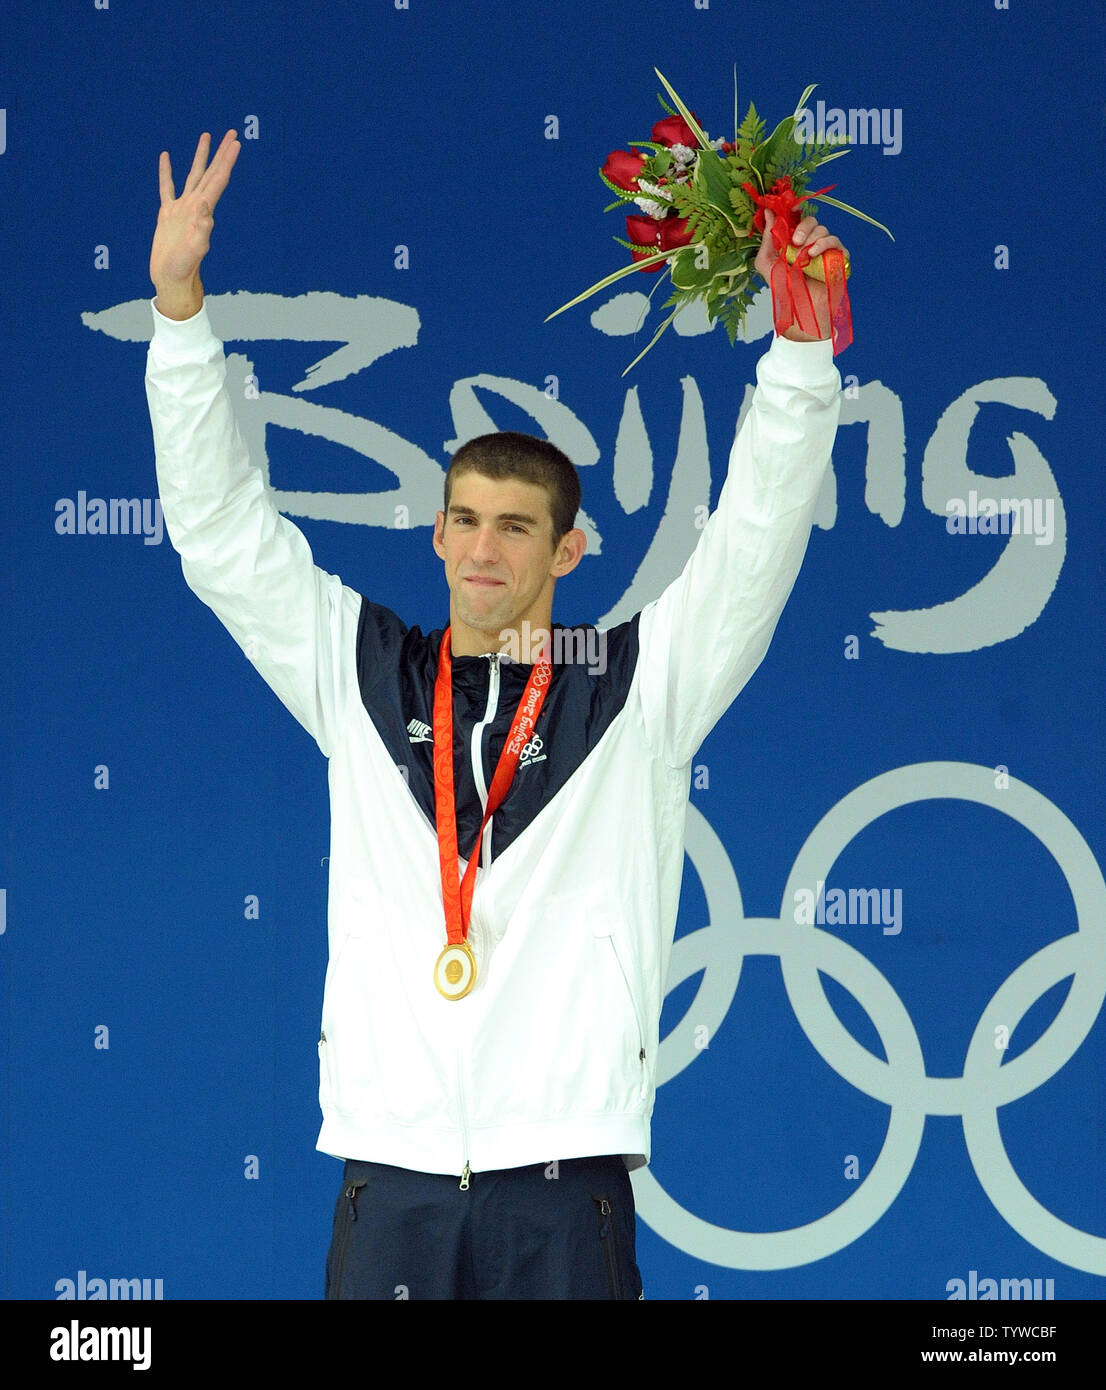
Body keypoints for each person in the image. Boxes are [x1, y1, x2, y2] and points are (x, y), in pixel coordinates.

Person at [146, 129, 845, 1300]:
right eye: (464, 520)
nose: (484, 548)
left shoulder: (633, 684)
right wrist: (177, 316)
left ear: (568, 547)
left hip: (563, 1188)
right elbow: (221, 535)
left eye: (516, 527)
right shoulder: (356, 669)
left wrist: (799, 359)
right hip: (391, 1179)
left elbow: (755, 542)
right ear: (434, 533)